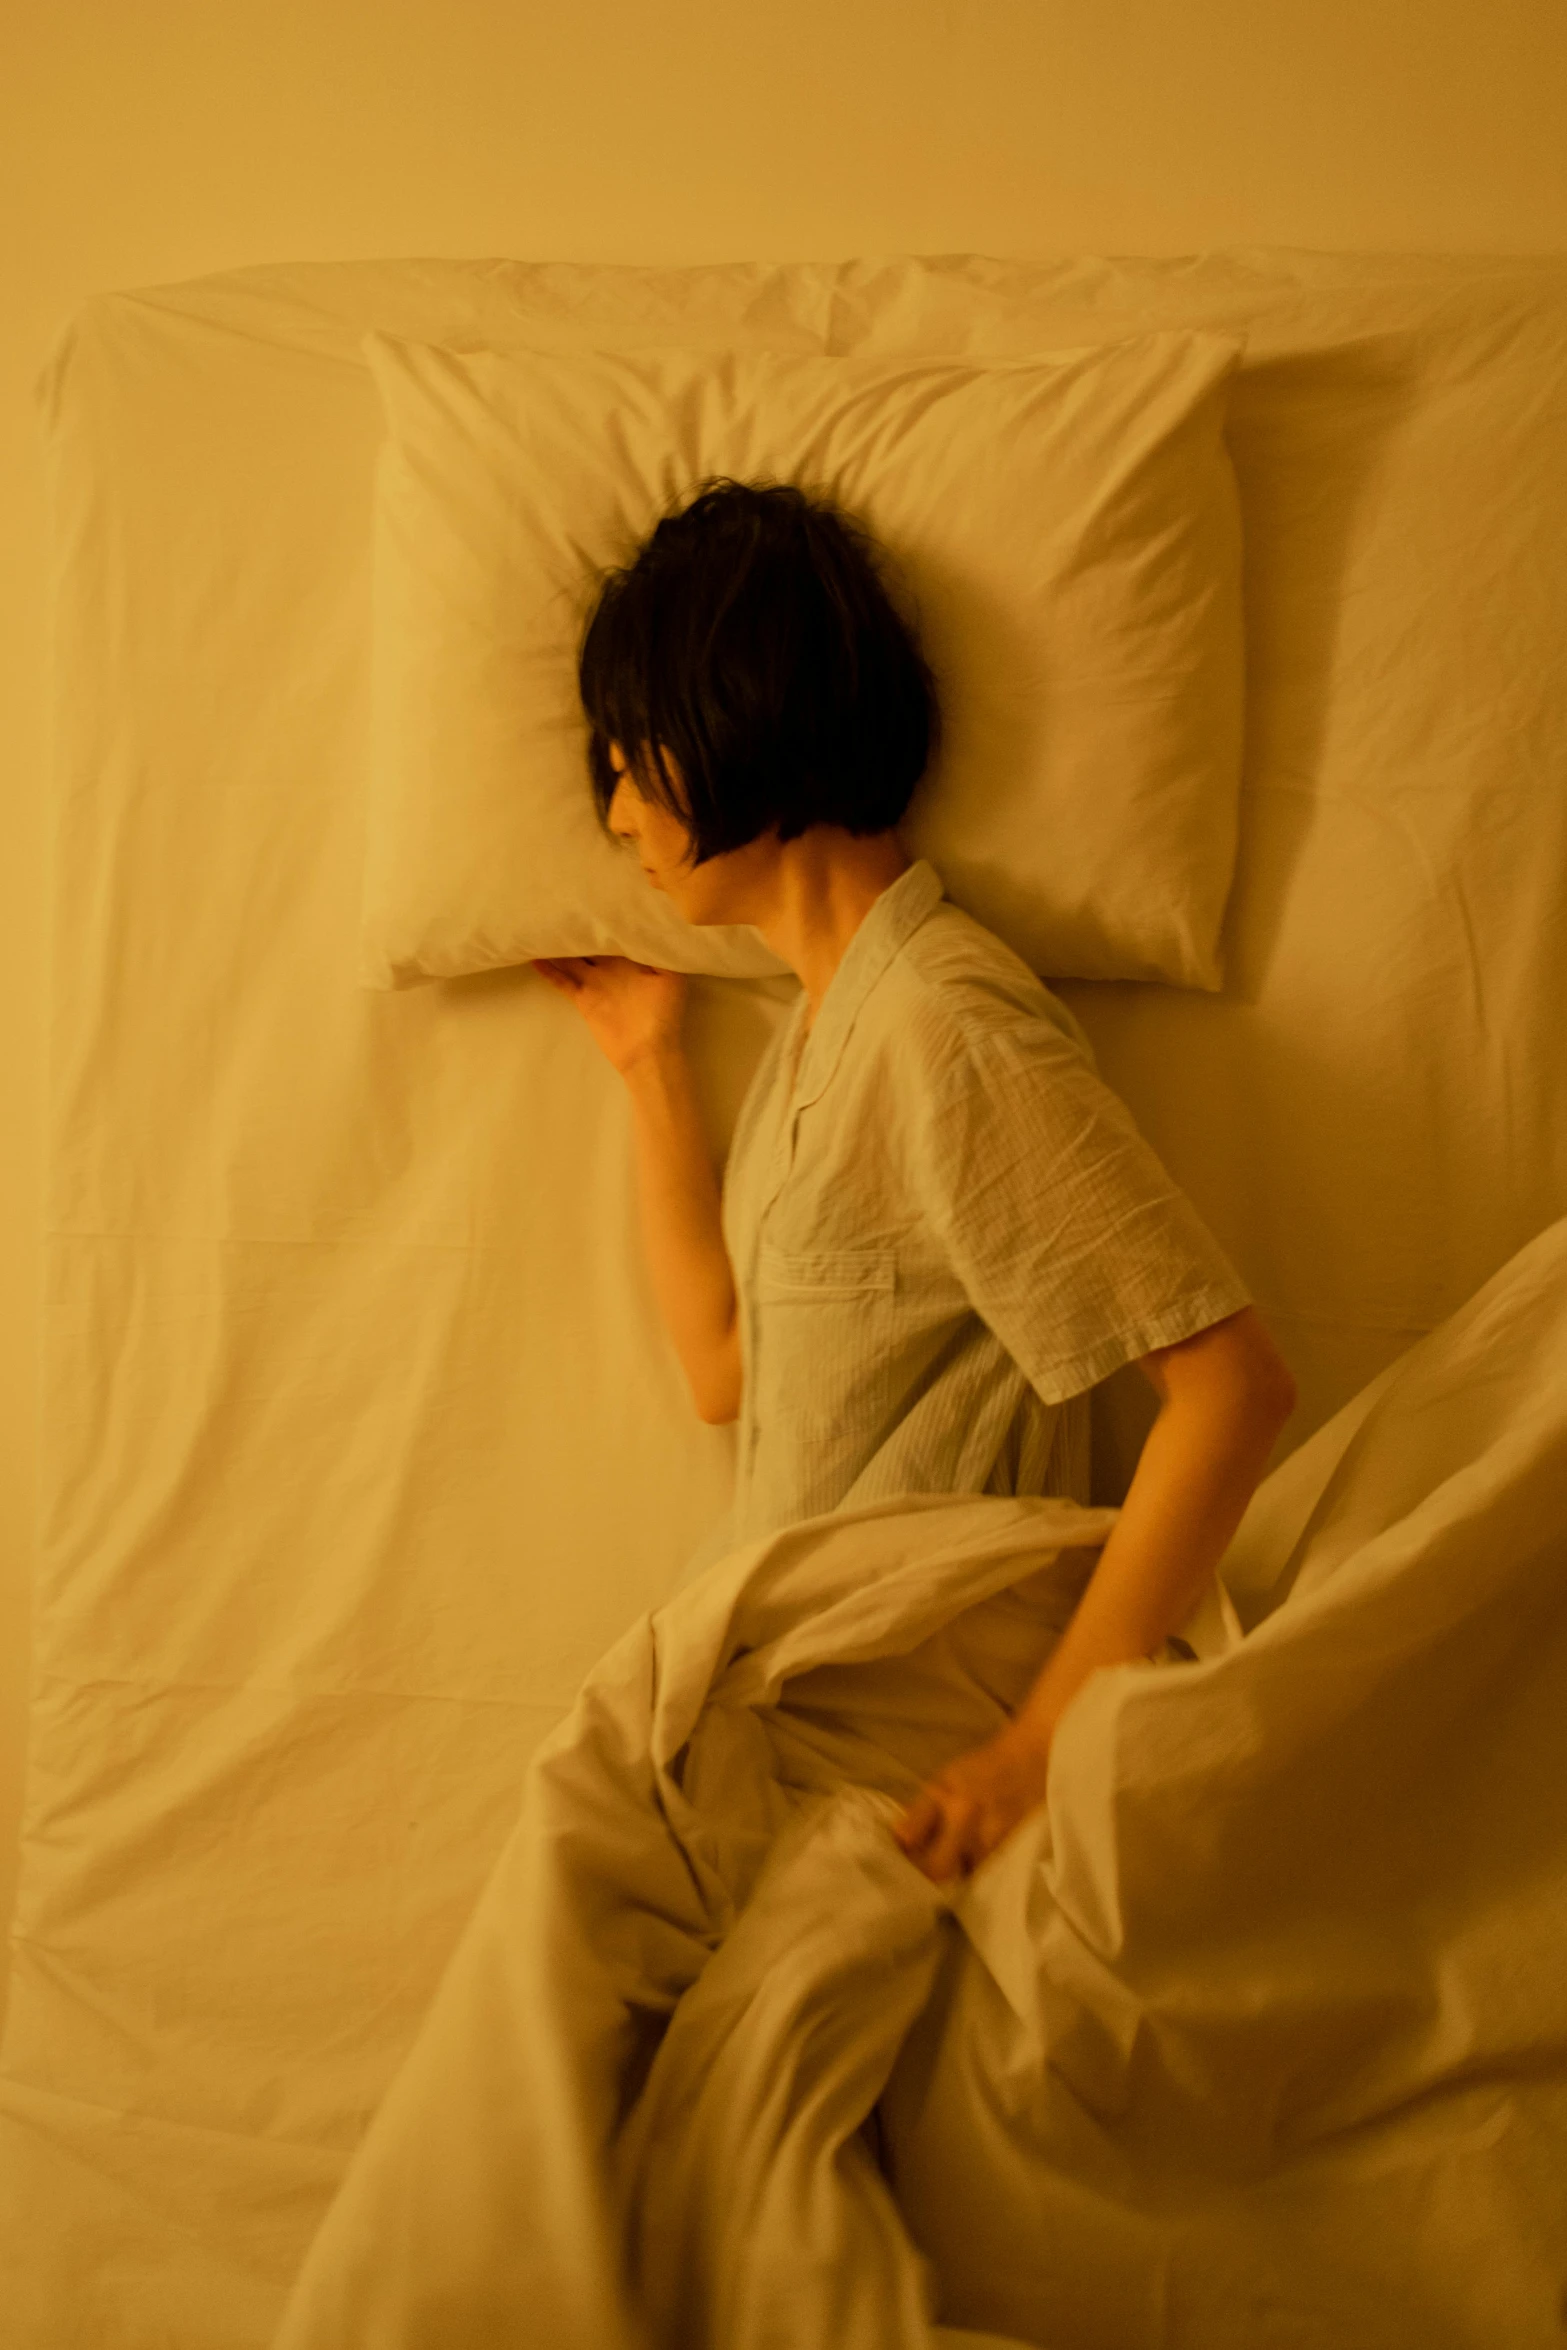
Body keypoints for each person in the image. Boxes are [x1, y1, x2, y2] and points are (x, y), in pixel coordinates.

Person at [534, 475, 1297, 1886]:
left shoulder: (945, 1030)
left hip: (896, 1722)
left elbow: (1231, 1390)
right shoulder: (816, 1039)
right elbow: (722, 1370)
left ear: (733, 712)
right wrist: (651, 1067)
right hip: (774, 1706)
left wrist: (1034, 1751)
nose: (619, 811)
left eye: (628, 756)